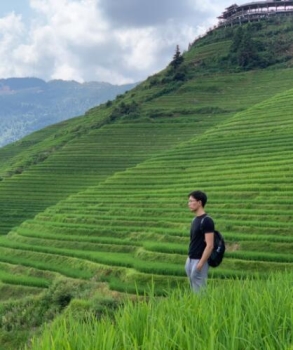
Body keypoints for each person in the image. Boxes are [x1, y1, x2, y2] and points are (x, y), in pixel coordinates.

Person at [185, 190, 214, 293]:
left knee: (199, 291)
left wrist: (201, 263)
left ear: (199, 202)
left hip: (199, 260)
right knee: (193, 289)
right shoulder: (195, 220)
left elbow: (210, 245)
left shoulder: (206, 220)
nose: (189, 204)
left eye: (191, 201)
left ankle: (202, 308)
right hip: (191, 259)